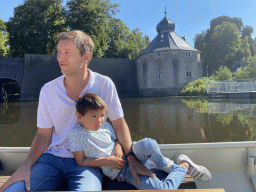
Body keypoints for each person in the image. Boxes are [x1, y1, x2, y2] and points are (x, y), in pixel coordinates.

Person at [1, 30, 154, 192]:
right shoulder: (48, 90)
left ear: (86, 57)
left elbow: (119, 124)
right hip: (51, 159)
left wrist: (131, 158)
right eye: (59, 52)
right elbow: (43, 135)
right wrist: (24, 167)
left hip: (88, 160)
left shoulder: (104, 84)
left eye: (67, 52)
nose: (60, 58)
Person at [68, 92, 212, 190]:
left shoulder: (105, 125)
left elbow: (117, 138)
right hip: (122, 172)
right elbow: (81, 161)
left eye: (102, 115)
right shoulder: (76, 134)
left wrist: (118, 146)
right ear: (79, 116)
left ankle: (166, 165)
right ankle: (183, 166)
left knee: (149, 144)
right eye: (94, 116)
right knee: (162, 189)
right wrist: (107, 161)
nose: (99, 120)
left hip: (131, 154)